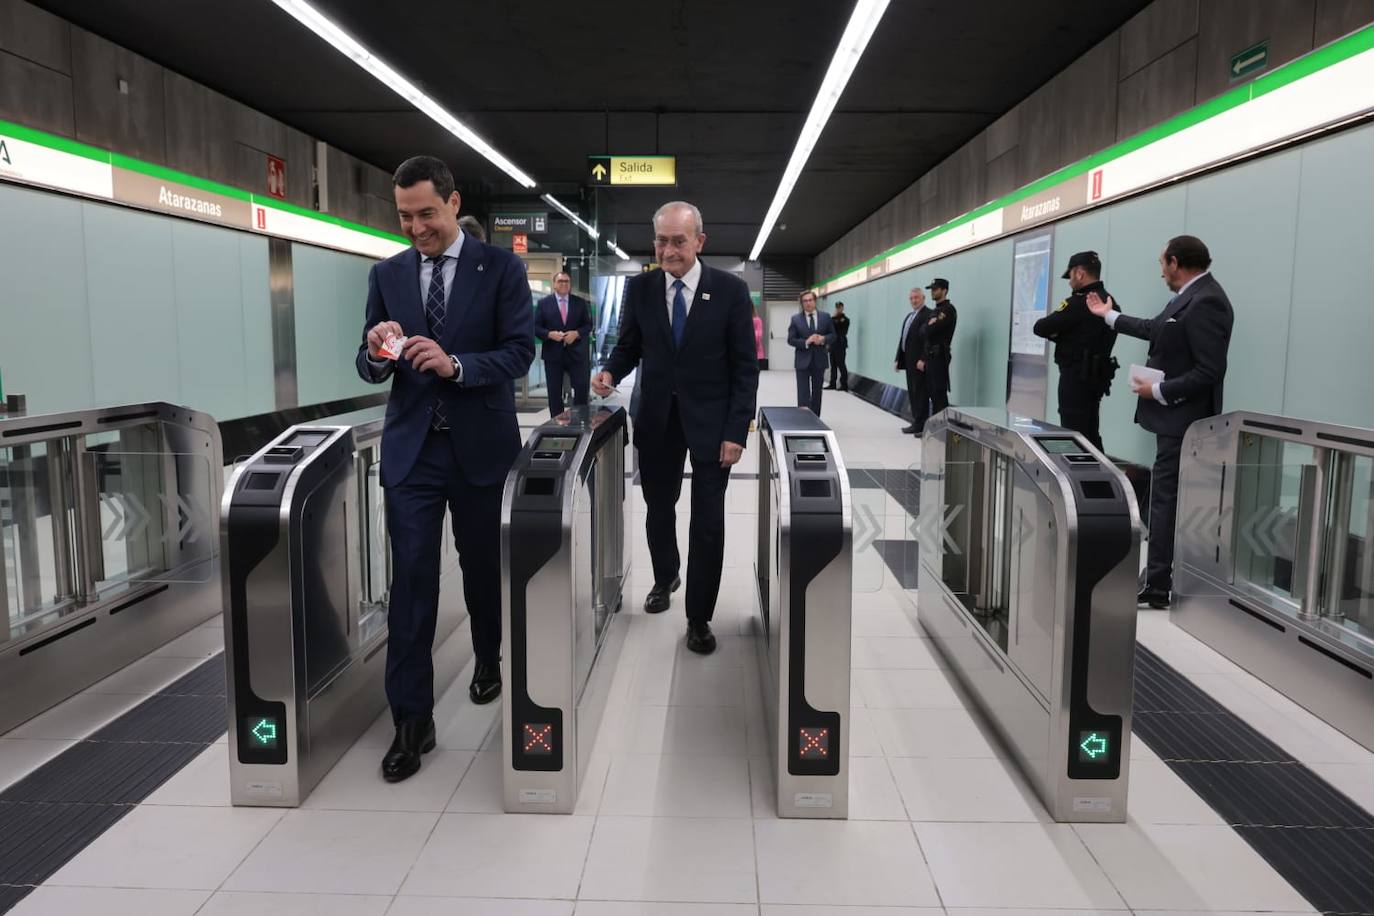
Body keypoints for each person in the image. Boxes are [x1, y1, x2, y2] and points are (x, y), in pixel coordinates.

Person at [356, 155, 534, 782]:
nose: (416, 228)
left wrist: (457, 365)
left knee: (484, 567)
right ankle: (412, 719)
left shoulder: (501, 268)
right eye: (405, 217)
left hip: (481, 447)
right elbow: (368, 357)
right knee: (411, 583)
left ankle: (489, 657)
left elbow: (518, 353)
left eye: (426, 214)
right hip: (413, 453)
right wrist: (379, 353)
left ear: (454, 205)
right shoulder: (388, 273)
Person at [592, 202, 758, 655]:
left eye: (678, 241)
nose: (668, 250)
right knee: (658, 508)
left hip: (713, 425)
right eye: (661, 241)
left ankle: (699, 616)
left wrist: (736, 432)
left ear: (699, 242)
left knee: (708, 520)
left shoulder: (730, 291)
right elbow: (629, 345)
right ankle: (665, 577)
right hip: (657, 423)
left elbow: (745, 369)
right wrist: (609, 371)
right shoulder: (642, 288)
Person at [1087, 235, 1233, 610]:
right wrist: (1109, 316)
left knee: (1165, 501)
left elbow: (1209, 371)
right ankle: (1157, 579)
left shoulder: (1208, 301)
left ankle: (1156, 584)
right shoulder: (1190, 296)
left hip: (1183, 420)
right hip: (1173, 420)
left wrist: (1161, 390)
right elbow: (1157, 329)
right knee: (1165, 500)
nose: (1161, 271)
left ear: (1175, 261)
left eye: (1162, 263)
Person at [1032, 251, 1119, 450]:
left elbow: (1041, 327)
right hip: (1097, 379)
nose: (1069, 282)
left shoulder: (1078, 303)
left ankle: (1080, 479)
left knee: (1074, 434)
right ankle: (1099, 477)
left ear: (1079, 273)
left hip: (1075, 377)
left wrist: (1062, 336)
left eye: (1070, 276)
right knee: (1091, 431)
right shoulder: (1110, 302)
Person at [533, 271, 592, 416]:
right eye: (561, 281)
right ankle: (556, 424)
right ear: (554, 284)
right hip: (553, 354)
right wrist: (549, 334)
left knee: (581, 389)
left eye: (567, 281)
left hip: (577, 354)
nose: (564, 284)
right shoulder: (543, 304)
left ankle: (580, 422)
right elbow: (535, 327)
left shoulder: (580, 303)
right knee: (554, 392)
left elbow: (588, 325)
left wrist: (576, 334)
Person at [788, 291, 835, 415]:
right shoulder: (796, 319)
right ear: (802, 303)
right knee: (803, 392)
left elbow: (833, 335)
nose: (808, 303)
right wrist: (806, 342)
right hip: (802, 360)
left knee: (817, 392)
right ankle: (804, 420)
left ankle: (815, 420)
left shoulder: (826, 317)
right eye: (805, 301)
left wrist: (823, 339)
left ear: (815, 301)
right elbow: (791, 339)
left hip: (819, 360)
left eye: (810, 300)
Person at [894, 287, 932, 434]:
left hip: (919, 363)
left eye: (916, 297)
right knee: (913, 392)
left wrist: (923, 358)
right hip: (909, 361)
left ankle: (921, 424)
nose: (913, 300)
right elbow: (903, 338)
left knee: (920, 393)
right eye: (911, 298)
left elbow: (928, 340)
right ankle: (916, 421)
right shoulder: (910, 316)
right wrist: (898, 358)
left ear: (923, 298)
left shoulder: (928, 314)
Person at [921, 278, 958, 429]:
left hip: (939, 356)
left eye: (936, 289)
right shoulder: (935, 311)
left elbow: (931, 330)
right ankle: (935, 428)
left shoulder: (948, 310)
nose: (933, 292)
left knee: (939, 393)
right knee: (932, 393)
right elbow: (922, 331)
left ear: (944, 290)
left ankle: (943, 429)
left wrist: (930, 326)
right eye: (932, 289)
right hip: (930, 357)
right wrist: (929, 326)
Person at [826, 301, 850, 391]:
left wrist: (835, 319)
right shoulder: (833, 319)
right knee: (833, 365)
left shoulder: (846, 320)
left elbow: (841, 331)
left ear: (842, 308)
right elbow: (830, 329)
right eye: (837, 307)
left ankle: (844, 385)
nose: (838, 309)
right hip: (832, 345)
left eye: (840, 307)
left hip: (840, 344)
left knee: (841, 364)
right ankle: (832, 384)